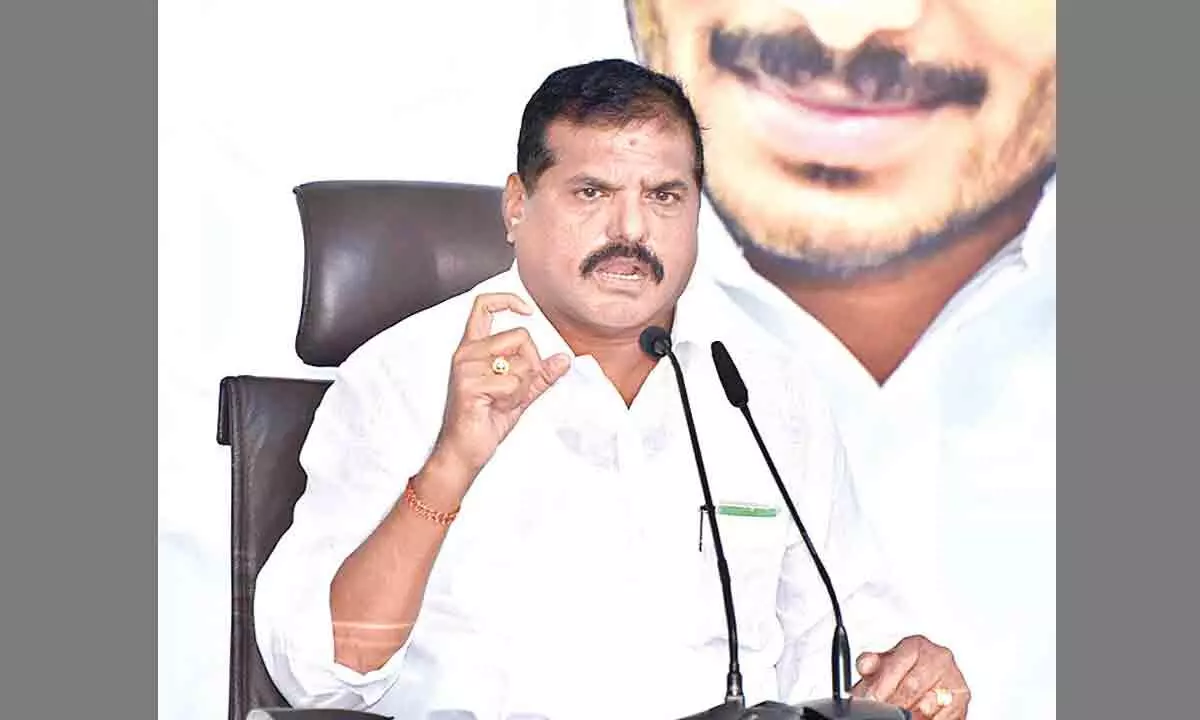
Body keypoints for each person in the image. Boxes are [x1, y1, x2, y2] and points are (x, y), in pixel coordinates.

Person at [253, 59, 952, 720]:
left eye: (664, 196)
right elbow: (318, 674)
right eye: (592, 193)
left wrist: (904, 674)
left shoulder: (763, 391)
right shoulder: (404, 375)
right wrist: (448, 468)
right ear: (518, 206)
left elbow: (842, 644)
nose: (631, 229)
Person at [624, 2, 1057, 718]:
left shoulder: (770, 406)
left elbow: (860, 647)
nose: (844, 29)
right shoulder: (455, 381)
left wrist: (908, 678)